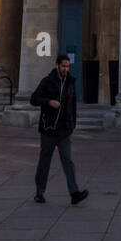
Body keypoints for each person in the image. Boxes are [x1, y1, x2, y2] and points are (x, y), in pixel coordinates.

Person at [30, 53, 89, 204]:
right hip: (49, 129)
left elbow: (73, 105)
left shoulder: (70, 82)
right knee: (45, 161)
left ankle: (74, 193)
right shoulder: (47, 81)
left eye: (68, 66)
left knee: (68, 161)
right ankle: (39, 192)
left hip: (64, 129)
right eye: (63, 66)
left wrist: (73, 124)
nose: (66, 69)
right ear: (57, 65)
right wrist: (49, 101)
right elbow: (34, 99)